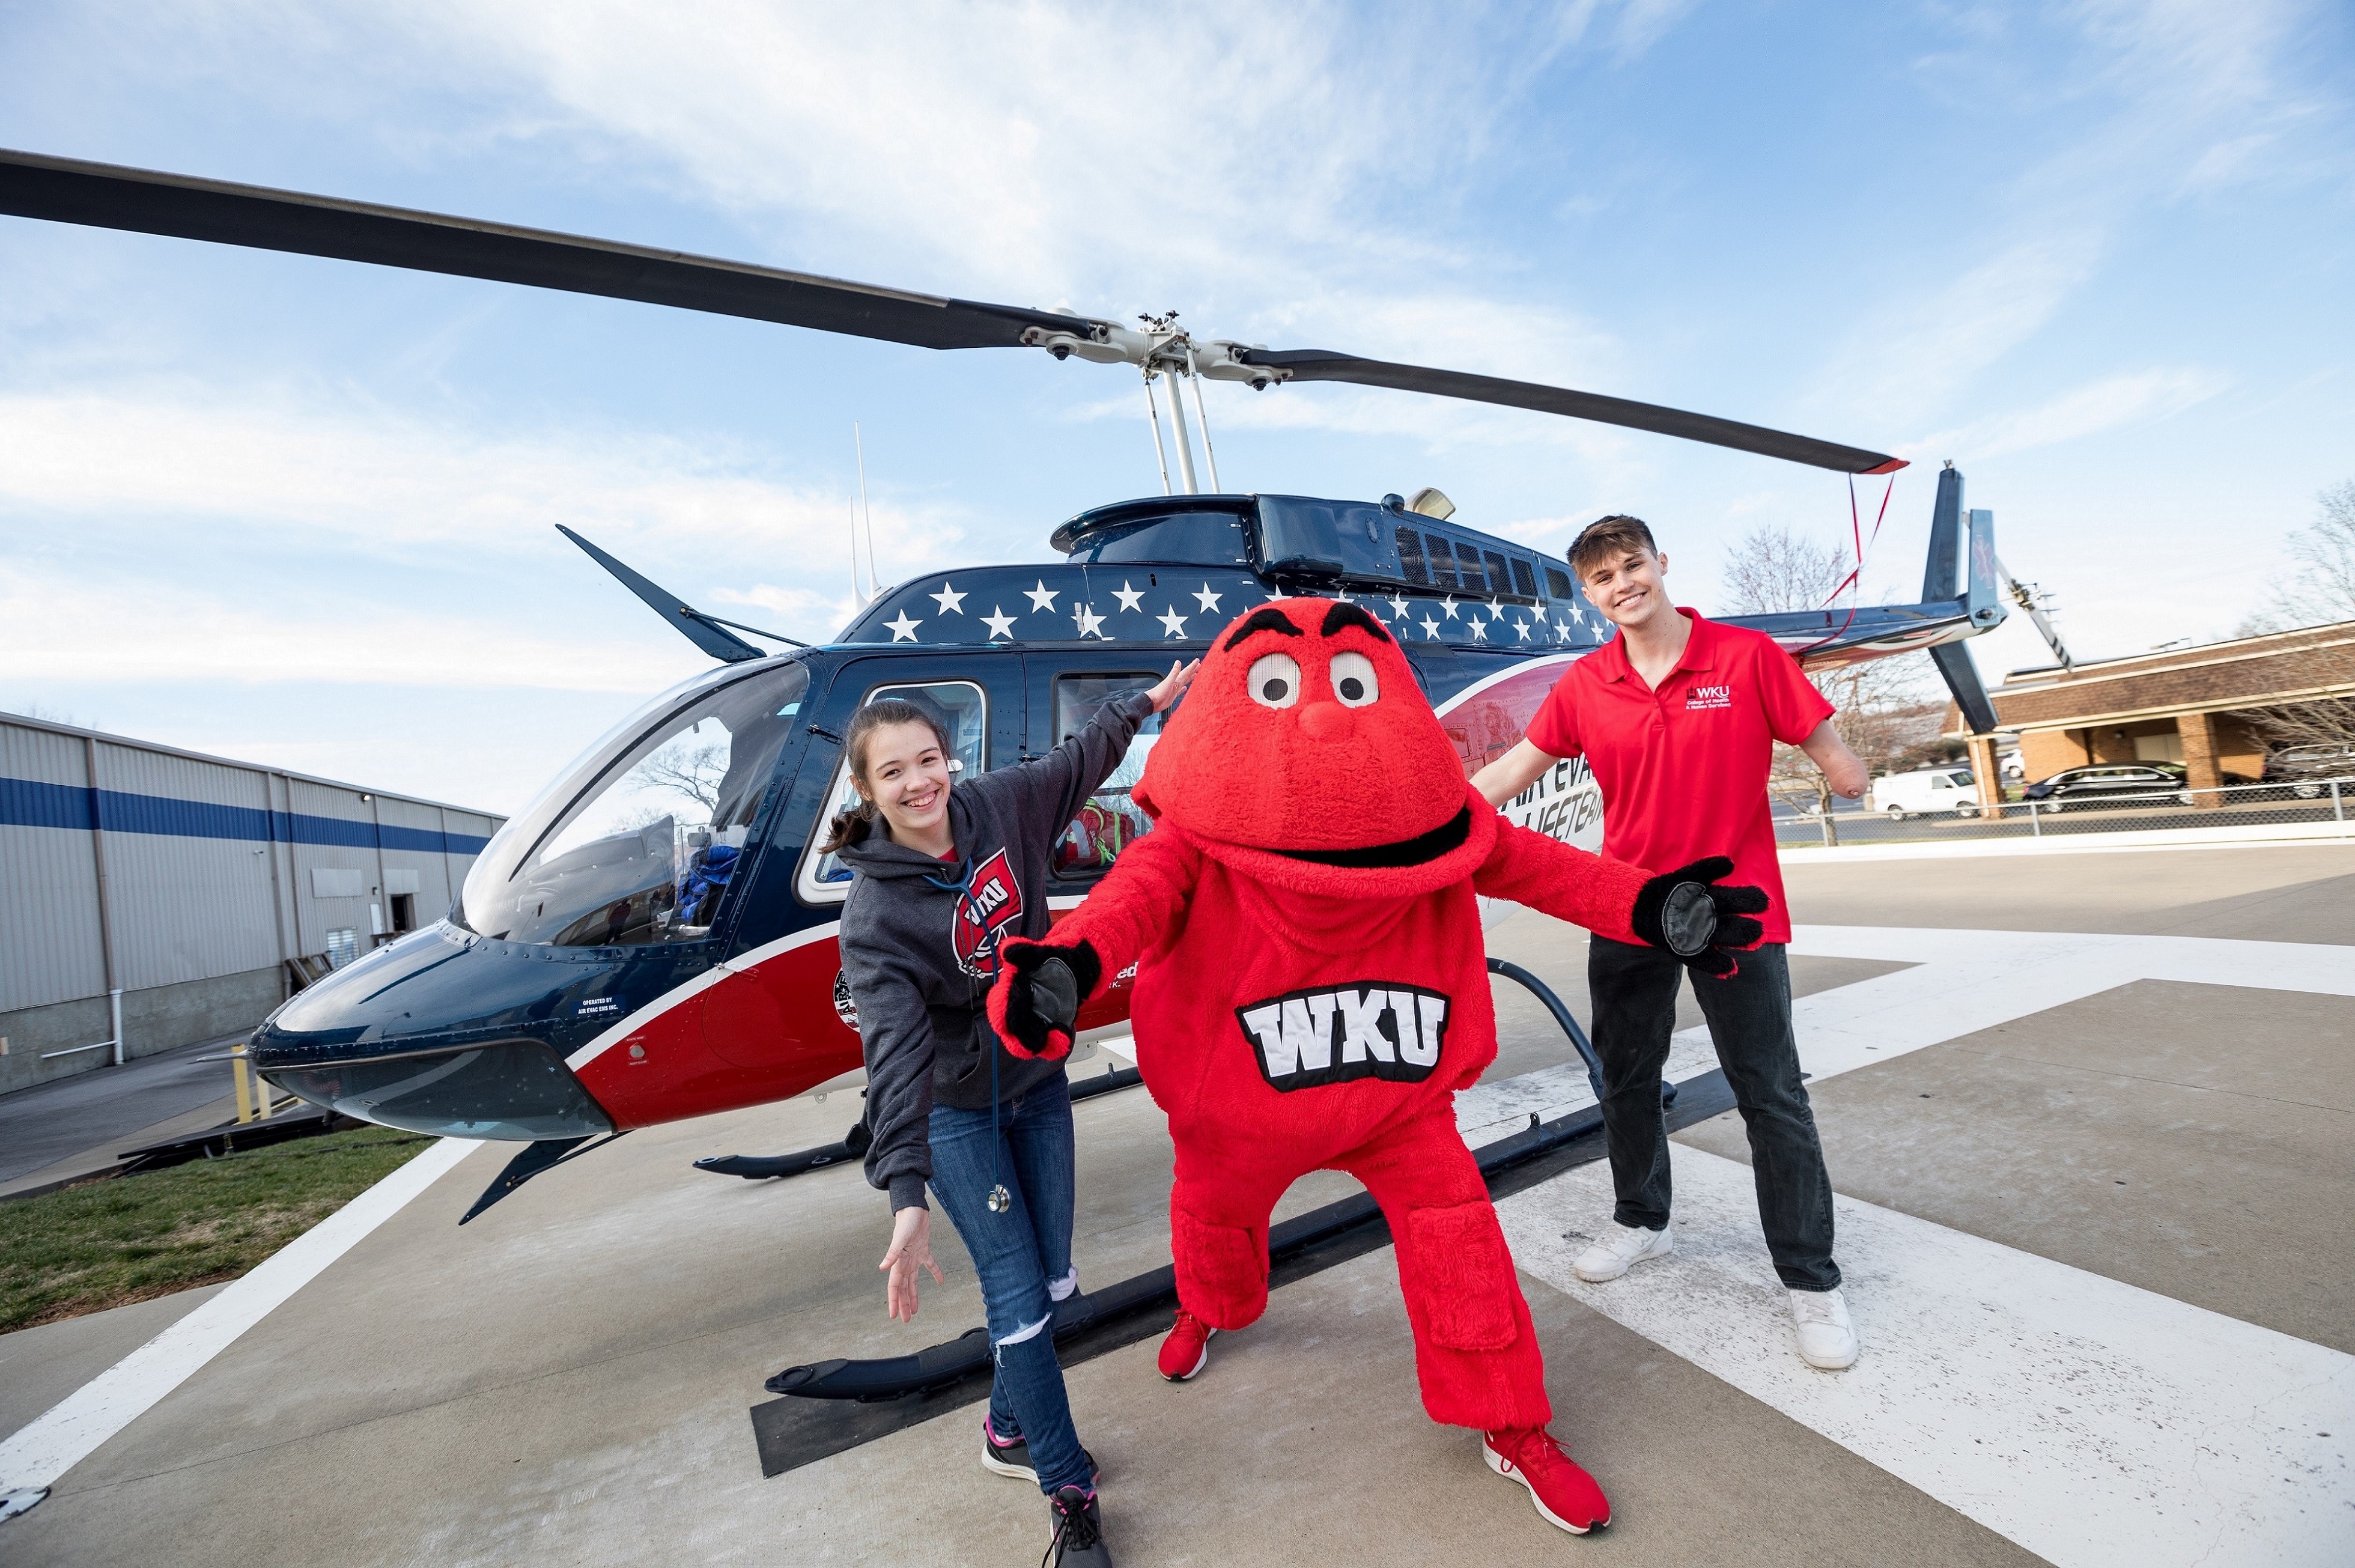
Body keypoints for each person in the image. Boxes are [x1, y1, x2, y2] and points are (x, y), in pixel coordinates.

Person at [986, 598, 1765, 1537]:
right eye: (1278, 687)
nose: (1320, 714)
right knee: (1214, 1220)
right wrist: (1066, 967)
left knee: (1464, 1250)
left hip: (1397, 1108)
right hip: (1240, 1110)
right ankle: (1210, 1309)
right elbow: (1128, 904)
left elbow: (1546, 867)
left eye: (1350, 685)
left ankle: (1514, 1424)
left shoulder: (1443, 829)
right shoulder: (1192, 842)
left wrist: (1657, 905)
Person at [1471, 515, 1870, 1370]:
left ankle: (1810, 1279)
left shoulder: (1747, 657)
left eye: (1632, 565)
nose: (1623, 584)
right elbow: (1508, 775)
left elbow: (1837, 758)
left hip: (1737, 908)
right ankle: (1640, 1220)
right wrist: (1429, 816)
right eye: (1603, 578)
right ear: (1589, 594)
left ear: (1661, 565)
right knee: (1625, 1076)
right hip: (1630, 908)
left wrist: (1840, 765)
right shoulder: (1585, 684)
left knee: (1771, 1092)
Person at [830, 660, 1195, 1568]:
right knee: (1018, 1294)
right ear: (868, 789)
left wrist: (1143, 705)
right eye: (894, 772)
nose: (919, 782)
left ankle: (1006, 1423)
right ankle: (1067, 1490)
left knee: (1058, 1275)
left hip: (1035, 1084)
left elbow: (1079, 762)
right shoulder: (875, 917)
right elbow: (895, 1055)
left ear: (949, 759)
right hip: (956, 1111)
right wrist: (905, 1192)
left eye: (929, 759)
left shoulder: (1000, 806)